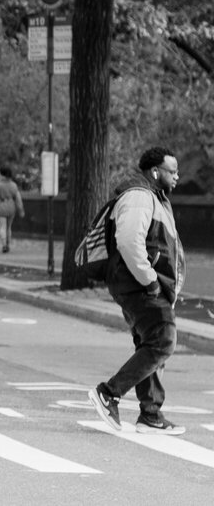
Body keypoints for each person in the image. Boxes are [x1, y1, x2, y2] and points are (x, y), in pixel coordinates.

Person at [89, 147, 186, 436]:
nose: (177, 176)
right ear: (156, 172)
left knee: (151, 343)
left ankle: (150, 415)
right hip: (139, 284)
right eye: (173, 171)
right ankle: (109, 393)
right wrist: (151, 280)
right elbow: (129, 242)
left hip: (141, 284)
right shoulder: (139, 196)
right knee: (163, 341)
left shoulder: (153, 197)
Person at [0, 166, 24, 253]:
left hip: (0, 206)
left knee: (2, 227)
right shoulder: (13, 185)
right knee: (9, 227)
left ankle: (4, 245)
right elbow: (18, 198)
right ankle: (8, 244)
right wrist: (21, 209)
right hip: (11, 206)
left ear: (1, 174)